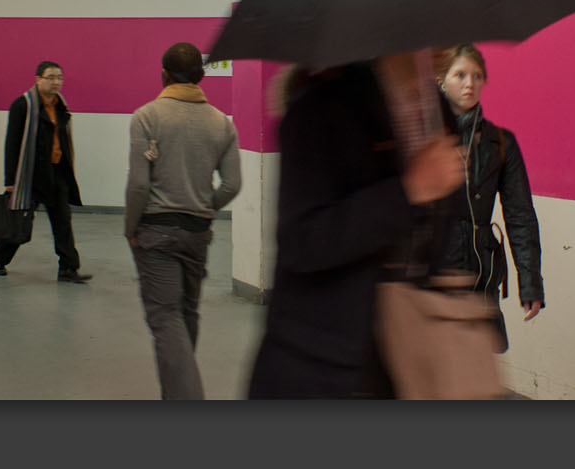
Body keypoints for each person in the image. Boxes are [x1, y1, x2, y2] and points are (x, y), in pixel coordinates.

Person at [245, 56, 465, 398]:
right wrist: (409, 191)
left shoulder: (439, 114)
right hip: (321, 365)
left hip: (402, 357)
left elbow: (432, 244)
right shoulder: (321, 105)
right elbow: (302, 242)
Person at [123, 42, 242, 399]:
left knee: (165, 318)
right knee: (186, 314)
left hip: (156, 232)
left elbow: (140, 184)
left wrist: (130, 227)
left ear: (163, 75)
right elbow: (233, 184)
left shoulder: (147, 116)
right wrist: (204, 204)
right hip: (198, 232)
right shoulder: (222, 123)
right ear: (200, 78)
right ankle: (176, 392)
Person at [432, 44, 545, 353]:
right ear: (441, 80)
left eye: (477, 75)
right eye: (460, 75)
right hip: (431, 268)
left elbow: (520, 214)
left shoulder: (500, 142)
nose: (470, 83)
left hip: (480, 273)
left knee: (471, 371)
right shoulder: (423, 137)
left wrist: (530, 282)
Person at [0, 60, 91, 282]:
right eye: (51, 77)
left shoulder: (60, 106)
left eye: (59, 77)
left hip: (56, 173)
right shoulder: (23, 105)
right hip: (31, 175)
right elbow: (12, 143)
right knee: (20, 221)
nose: (56, 82)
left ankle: (68, 268)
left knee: (63, 222)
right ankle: (0, 259)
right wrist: (10, 179)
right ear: (38, 79)